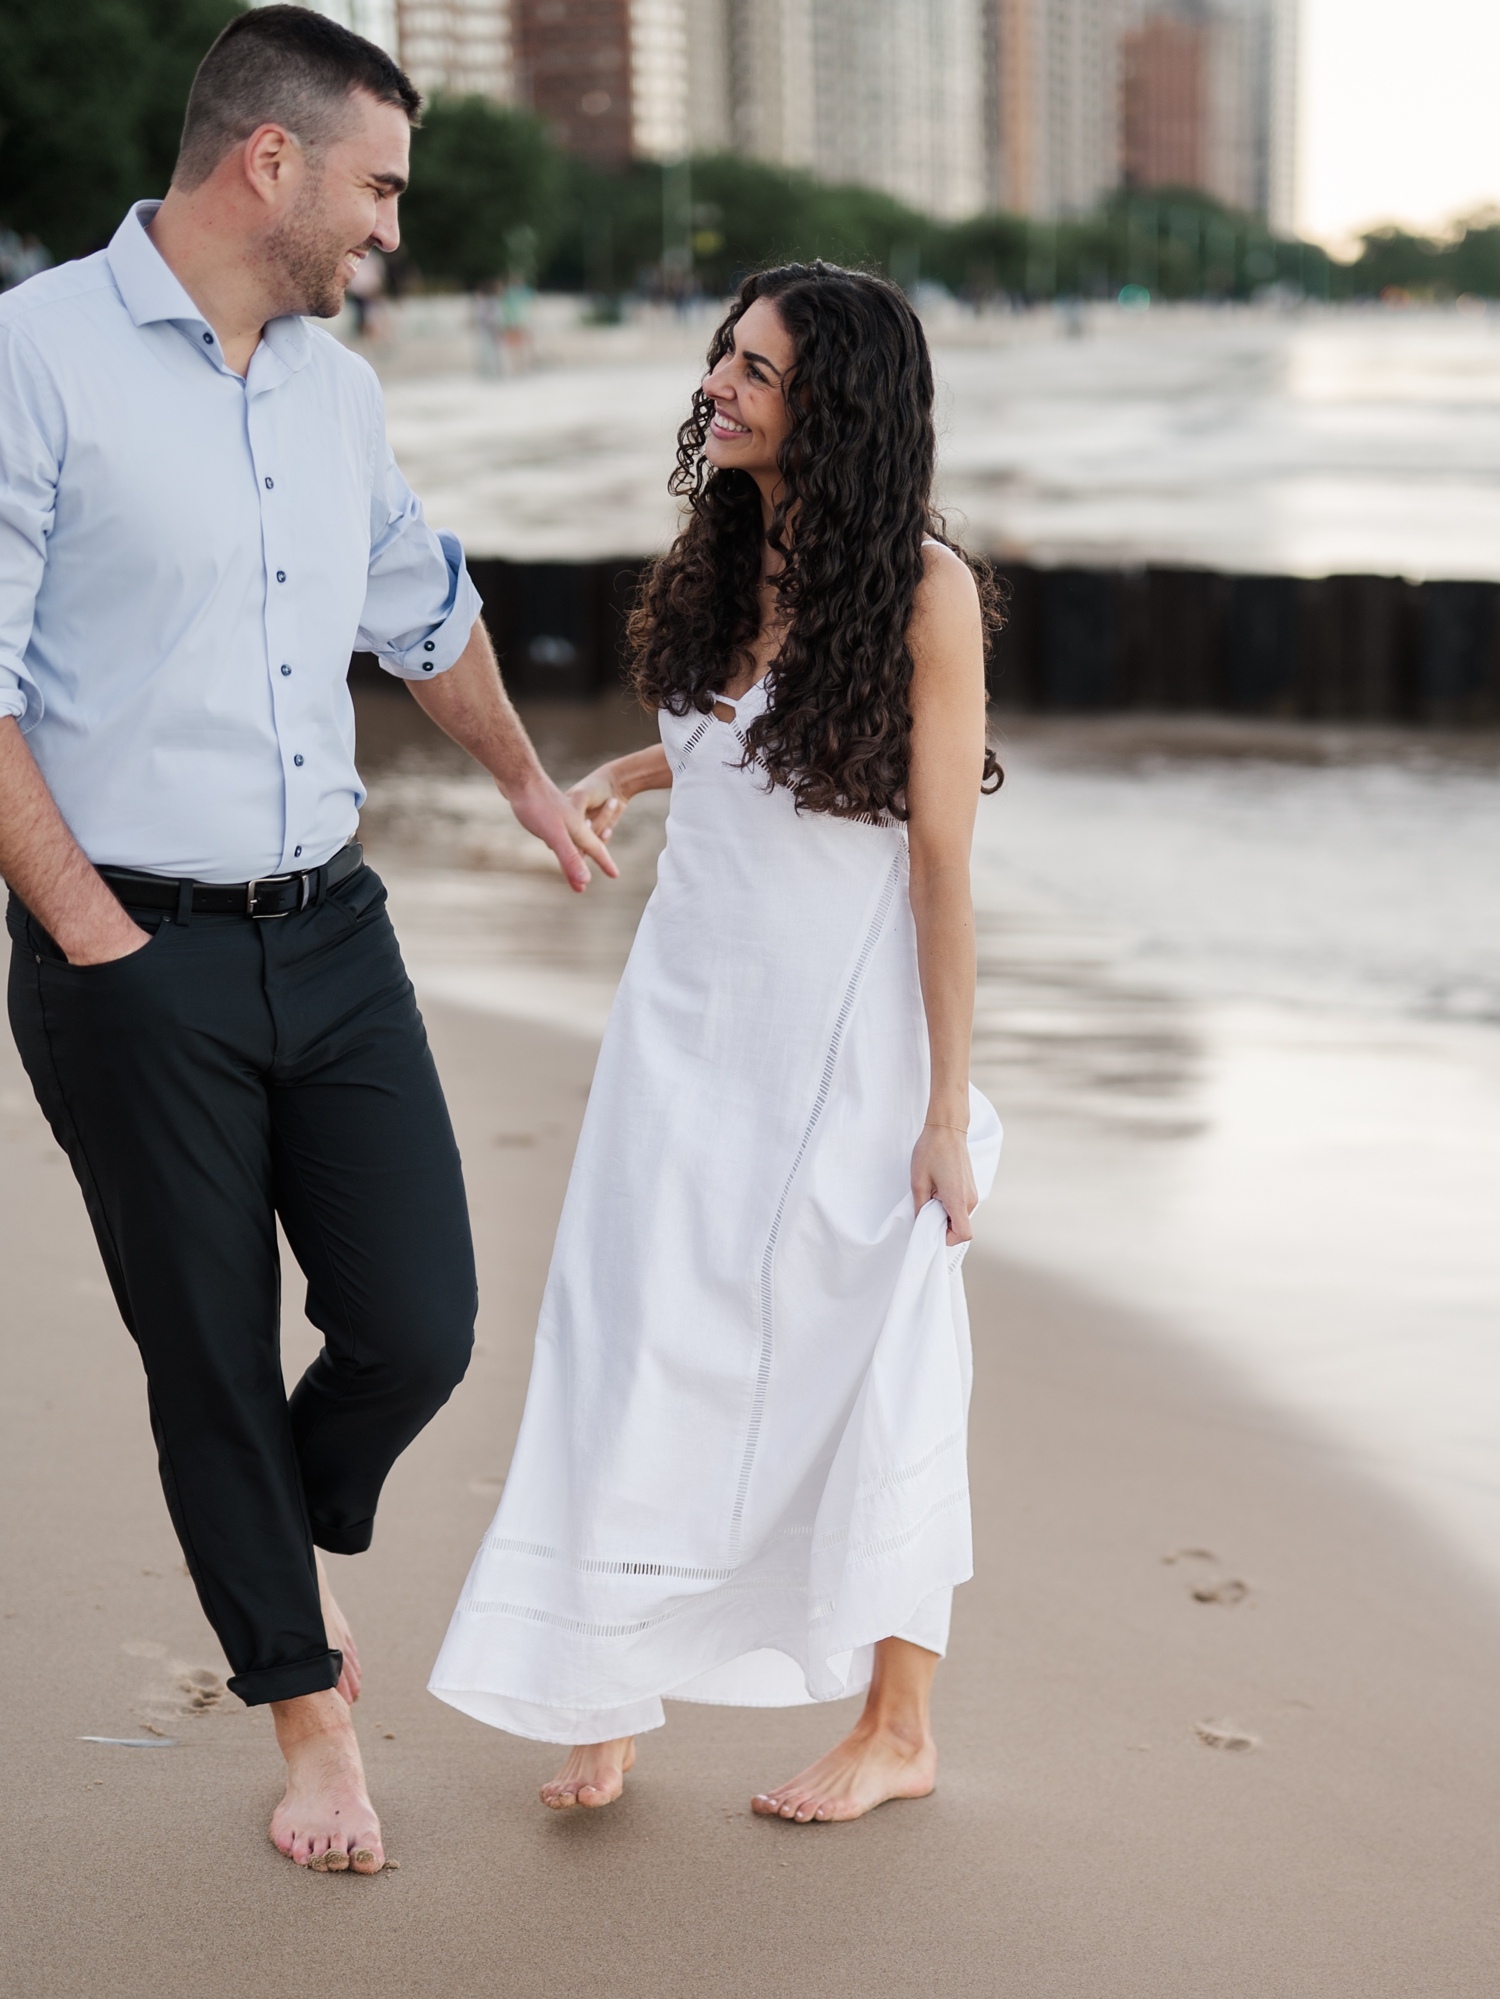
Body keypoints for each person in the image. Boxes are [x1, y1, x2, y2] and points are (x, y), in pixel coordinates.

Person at [0, 7, 612, 1873]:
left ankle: (277, 1519)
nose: (391, 232)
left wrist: (522, 783)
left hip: (331, 933)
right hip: (128, 954)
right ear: (270, 161)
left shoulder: (336, 392)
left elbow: (424, 611)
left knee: (418, 1322)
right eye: (379, 188)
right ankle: (311, 1724)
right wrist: (94, 931)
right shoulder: (32, 361)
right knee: (207, 1354)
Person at [430, 262, 1004, 1822]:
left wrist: (946, 1107)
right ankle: (599, 1677)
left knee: (879, 1355)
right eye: (722, 358)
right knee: (621, 1344)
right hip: (678, 1031)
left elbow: (939, 858)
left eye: (755, 370)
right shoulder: (724, 554)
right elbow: (745, 747)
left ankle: (899, 1727)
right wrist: (627, 769)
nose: (720, 387)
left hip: (841, 1045)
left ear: (842, 405)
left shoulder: (925, 594)